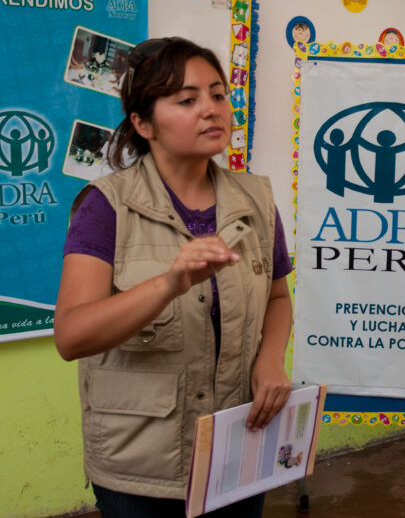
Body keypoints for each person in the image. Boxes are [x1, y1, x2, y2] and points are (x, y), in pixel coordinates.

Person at [54, 37, 293, 518]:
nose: (211, 110)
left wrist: (271, 361)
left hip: (237, 448)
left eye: (218, 94)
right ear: (143, 124)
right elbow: (71, 336)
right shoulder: (105, 207)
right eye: (187, 100)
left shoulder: (256, 201)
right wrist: (168, 283)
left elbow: (277, 297)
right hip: (143, 466)